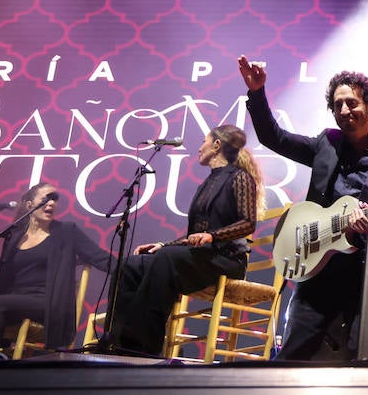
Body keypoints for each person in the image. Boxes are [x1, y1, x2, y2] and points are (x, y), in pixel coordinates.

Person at [237, 55, 368, 361]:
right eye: (337, 105)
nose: (344, 110)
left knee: (362, 357)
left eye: (352, 103)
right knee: (291, 355)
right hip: (317, 265)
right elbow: (273, 137)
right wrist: (257, 92)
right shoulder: (326, 144)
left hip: (365, 275)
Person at [108, 125, 263, 356]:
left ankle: (144, 348)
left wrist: (213, 236)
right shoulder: (207, 183)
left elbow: (248, 223)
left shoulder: (240, 178)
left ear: (217, 146)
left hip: (226, 259)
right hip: (202, 256)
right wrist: (164, 244)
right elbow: (195, 238)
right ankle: (118, 342)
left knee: (166, 260)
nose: (199, 148)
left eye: (204, 141)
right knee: (131, 265)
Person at [0, 183, 111, 354]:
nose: (52, 203)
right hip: (14, 301)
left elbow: (100, 258)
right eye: (46, 199)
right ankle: (3, 353)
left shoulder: (65, 231)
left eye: (54, 199)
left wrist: (136, 267)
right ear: (29, 205)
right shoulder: (13, 236)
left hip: (47, 302)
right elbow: (3, 278)